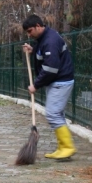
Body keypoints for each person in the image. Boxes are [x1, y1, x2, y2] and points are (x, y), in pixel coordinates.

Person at [21, 14, 76, 159]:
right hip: (57, 81)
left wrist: (36, 85)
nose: (29, 34)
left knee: (52, 113)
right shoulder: (43, 38)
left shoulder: (50, 40)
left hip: (60, 82)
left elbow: (51, 68)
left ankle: (68, 147)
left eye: (30, 30)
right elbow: (45, 55)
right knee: (57, 114)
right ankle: (63, 148)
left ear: (38, 26)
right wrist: (33, 51)